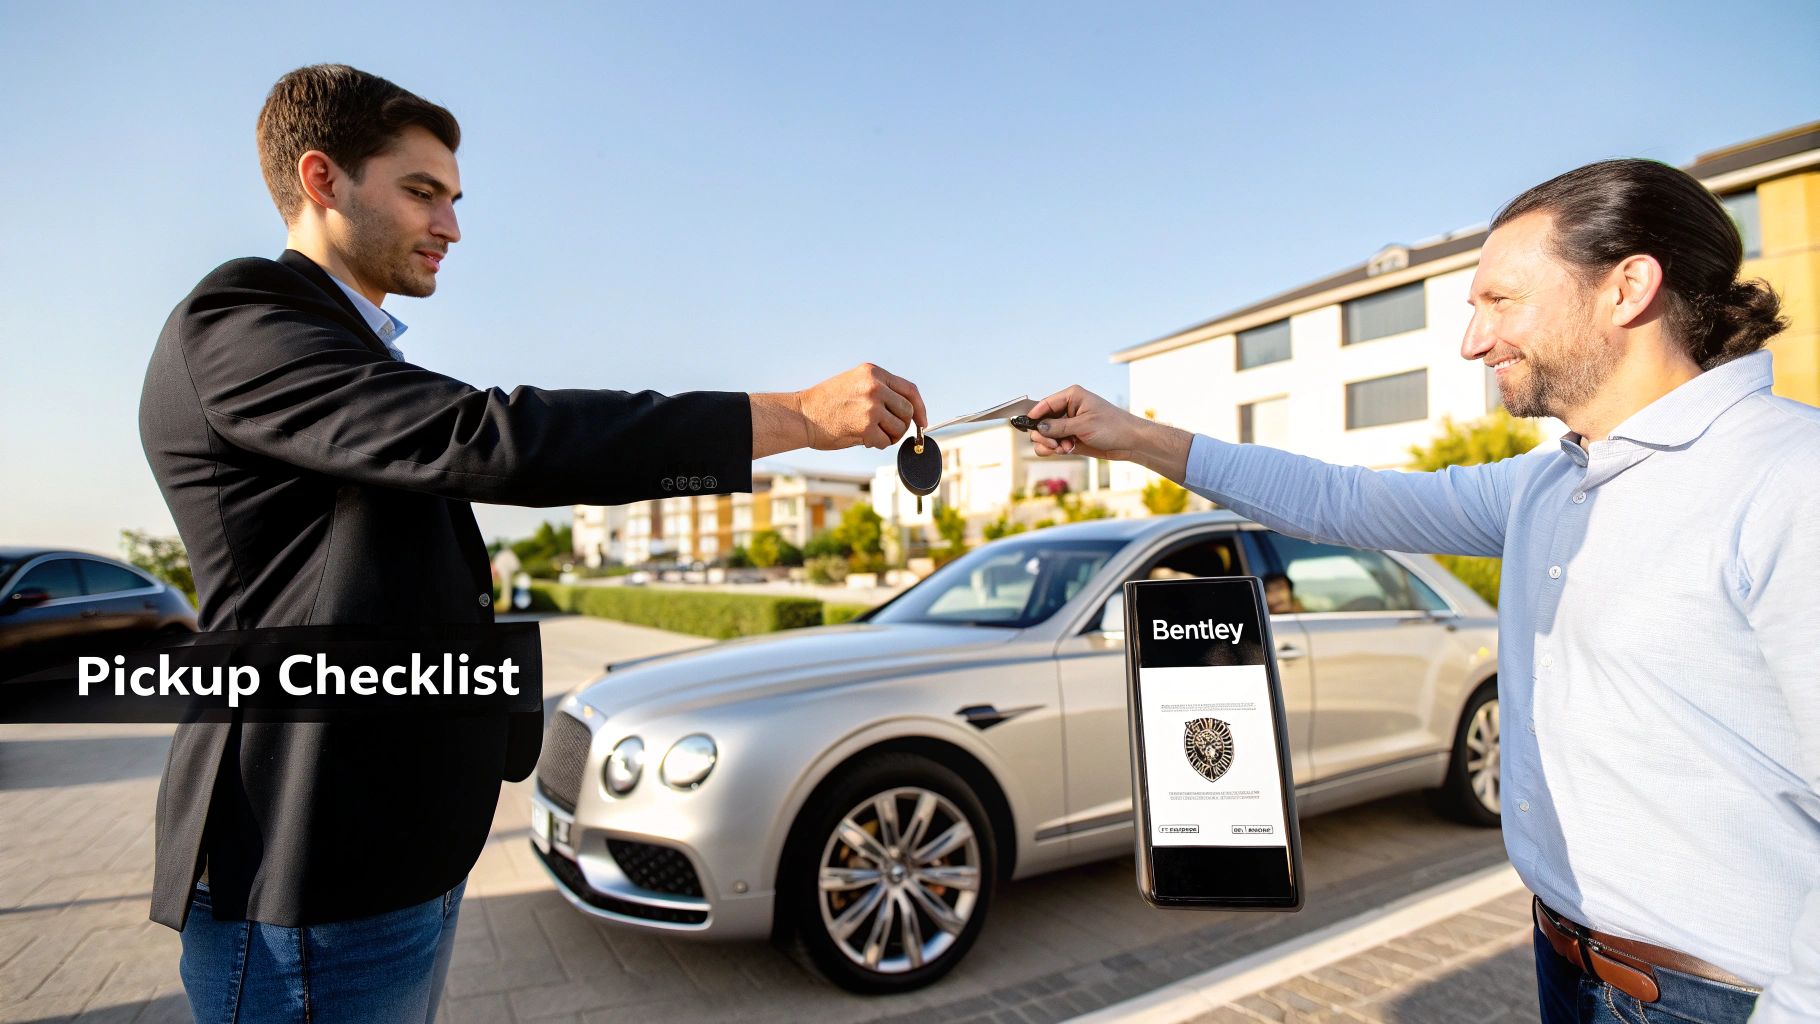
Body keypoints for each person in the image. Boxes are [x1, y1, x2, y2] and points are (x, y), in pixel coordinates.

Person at [140, 64, 927, 1022]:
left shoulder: (349, 350)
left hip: (389, 856)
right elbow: (487, 439)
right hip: (305, 868)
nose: (452, 227)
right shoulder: (242, 320)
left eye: (456, 199)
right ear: (321, 180)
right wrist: (794, 416)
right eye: (422, 192)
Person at [1025, 158, 1817, 1023]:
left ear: (1627, 287)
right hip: (1571, 968)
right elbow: (1345, 500)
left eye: (1499, 301)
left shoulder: (1787, 478)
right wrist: (1135, 437)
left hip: (1723, 1001)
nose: (1474, 342)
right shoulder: (1547, 485)